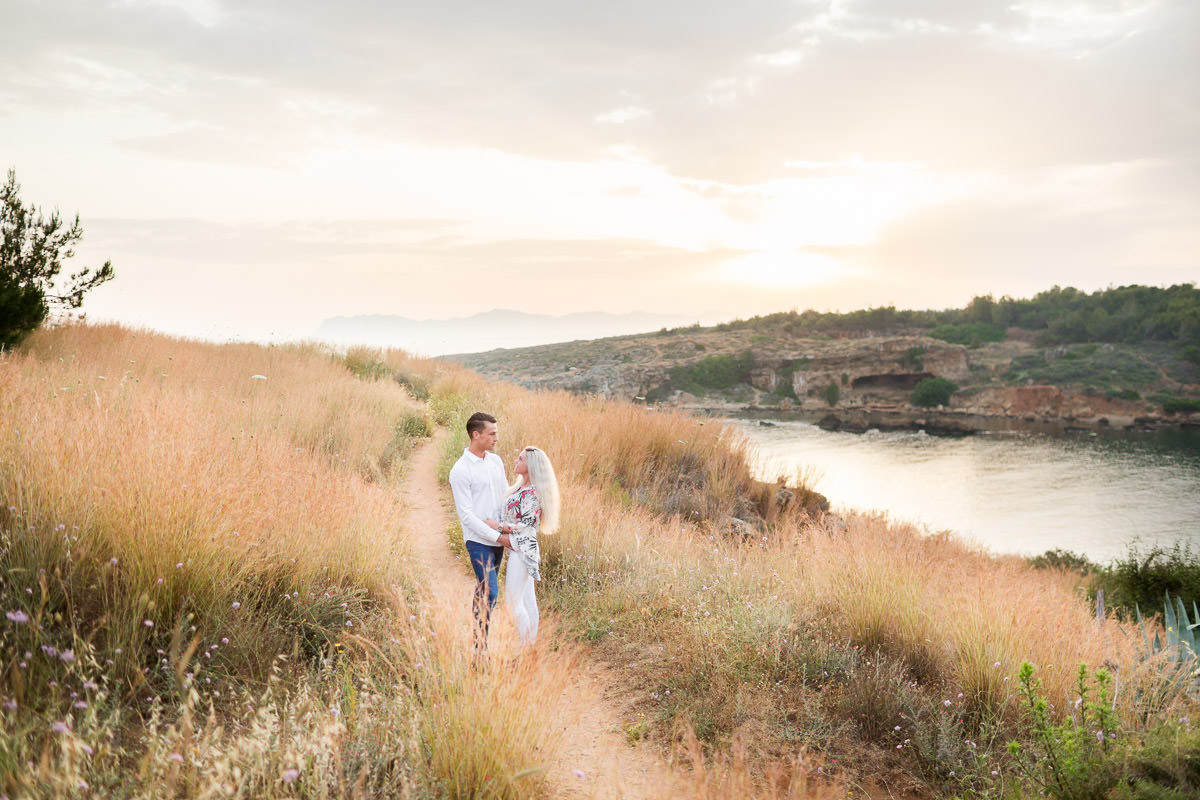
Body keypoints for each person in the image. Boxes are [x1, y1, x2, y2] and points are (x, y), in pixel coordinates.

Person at [447, 412, 511, 647]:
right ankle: (480, 647)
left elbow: (506, 495)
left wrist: (509, 529)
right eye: (491, 434)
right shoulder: (460, 470)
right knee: (490, 592)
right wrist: (498, 536)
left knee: (484, 589)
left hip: (499, 537)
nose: (496, 438)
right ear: (476, 435)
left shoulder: (496, 461)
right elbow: (466, 516)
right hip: (478, 541)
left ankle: (478, 640)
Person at [489, 446, 560, 644]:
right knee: (528, 601)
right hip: (521, 550)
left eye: (520, 459)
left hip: (522, 551)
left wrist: (498, 526)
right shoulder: (521, 487)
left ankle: (525, 647)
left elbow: (527, 525)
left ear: (531, 465)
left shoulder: (532, 493)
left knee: (513, 602)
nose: (515, 461)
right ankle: (530, 647)